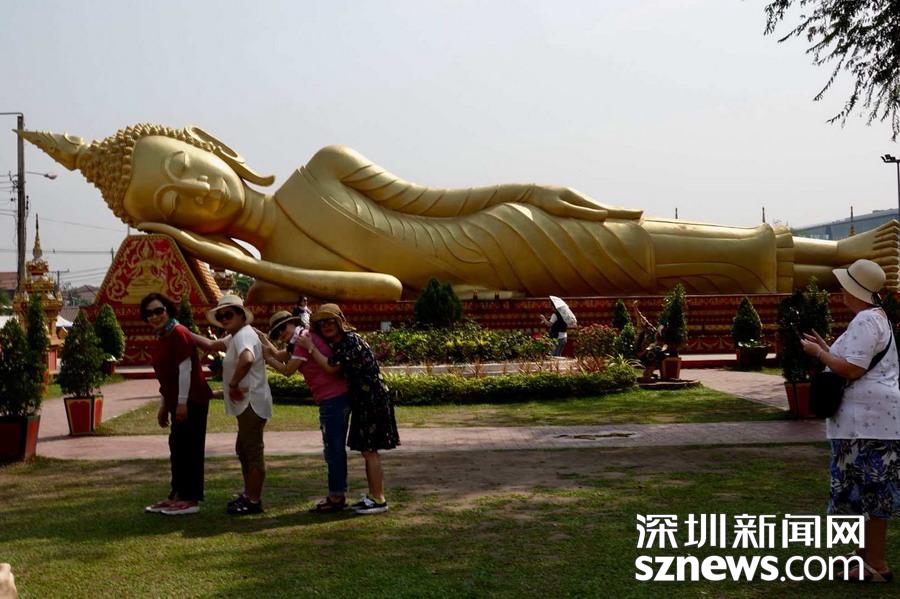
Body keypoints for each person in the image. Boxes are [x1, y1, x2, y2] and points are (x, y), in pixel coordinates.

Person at [21, 125, 900, 302]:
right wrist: (228, 259)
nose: (195, 194)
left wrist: (529, 189)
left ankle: (841, 253)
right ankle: (834, 267)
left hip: (500, 229)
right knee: (641, 266)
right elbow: (381, 285)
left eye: (184, 169)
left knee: (635, 238)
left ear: (209, 145)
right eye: (171, 206)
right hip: (487, 270)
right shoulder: (281, 270)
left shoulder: (323, 167)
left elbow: (434, 201)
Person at [800, 259, 900, 582]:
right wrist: (826, 348)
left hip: (867, 422)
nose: (840, 291)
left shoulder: (865, 320)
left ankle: (876, 564)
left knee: (871, 493)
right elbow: (853, 360)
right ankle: (864, 556)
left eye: (844, 286)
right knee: (862, 493)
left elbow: (853, 369)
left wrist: (819, 354)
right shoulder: (876, 318)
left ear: (855, 289)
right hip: (870, 421)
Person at [298, 304, 400, 514]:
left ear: (339, 322)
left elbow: (330, 367)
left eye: (330, 321)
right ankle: (374, 496)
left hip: (371, 399)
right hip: (364, 400)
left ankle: (378, 498)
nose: (327, 326)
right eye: (322, 323)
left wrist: (310, 347)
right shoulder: (341, 343)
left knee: (369, 451)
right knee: (368, 450)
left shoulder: (349, 341)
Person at [261, 310, 351, 513]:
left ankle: (336, 496)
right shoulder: (300, 339)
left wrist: (267, 358)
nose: (281, 333)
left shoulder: (303, 340)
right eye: (277, 332)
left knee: (333, 450)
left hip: (332, 398)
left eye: (283, 328)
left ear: (293, 324)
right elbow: (279, 354)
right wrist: (262, 340)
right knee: (334, 449)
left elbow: (287, 370)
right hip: (333, 397)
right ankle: (337, 494)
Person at [191, 294, 272, 515]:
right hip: (248, 402)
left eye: (229, 314)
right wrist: (180, 329)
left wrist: (233, 384)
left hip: (251, 402)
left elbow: (247, 359)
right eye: (221, 316)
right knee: (243, 449)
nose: (225, 319)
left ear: (241, 315)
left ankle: (253, 500)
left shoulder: (243, 335)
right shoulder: (236, 336)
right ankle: (249, 494)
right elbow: (210, 344)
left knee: (252, 451)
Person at [140, 292, 212, 516]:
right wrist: (164, 405)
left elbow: (185, 369)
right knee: (178, 448)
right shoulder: (163, 335)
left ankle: (190, 498)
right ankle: (177, 494)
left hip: (192, 400)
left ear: (168, 310)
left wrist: (182, 403)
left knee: (190, 448)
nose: (154, 316)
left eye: (158, 311)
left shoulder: (178, 332)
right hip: (176, 400)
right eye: (149, 313)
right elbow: (167, 376)